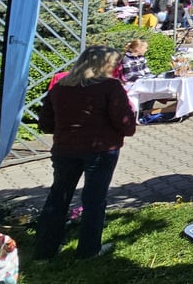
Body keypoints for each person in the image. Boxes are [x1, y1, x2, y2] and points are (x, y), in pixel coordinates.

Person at [34, 46, 136, 260]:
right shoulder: (110, 86)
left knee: (58, 196)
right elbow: (125, 123)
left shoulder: (61, 85)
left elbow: (45, 122)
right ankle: (89, 249)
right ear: (105, 64)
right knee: (94, 199)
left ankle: (45, 249)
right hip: (100, 149)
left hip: (65, 148)